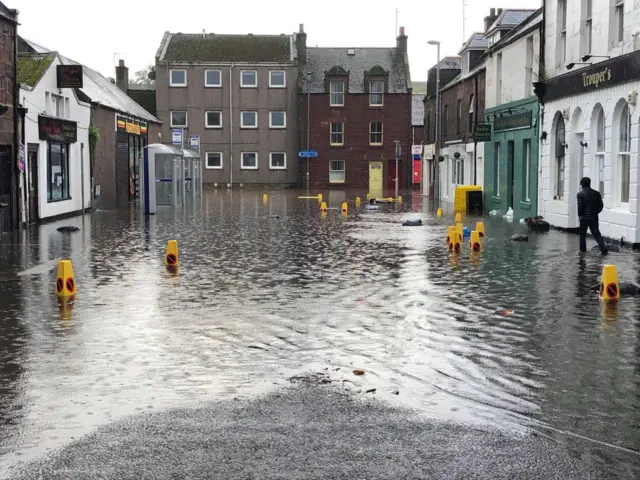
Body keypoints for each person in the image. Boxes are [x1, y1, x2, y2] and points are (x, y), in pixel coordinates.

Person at [577, 177, 607, 255]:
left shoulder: (580, 195)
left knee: (582, 235)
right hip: (594, 217)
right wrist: (596, 212)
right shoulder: (596, 193)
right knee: (596, 234)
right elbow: (601, 205)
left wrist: (580, 215)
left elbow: (580, 207)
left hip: (584, 218)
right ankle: (603, 248)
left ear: (582, 184)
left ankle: (583, 251)